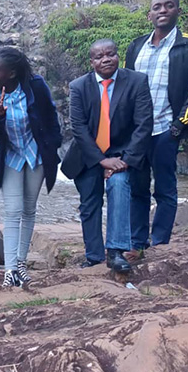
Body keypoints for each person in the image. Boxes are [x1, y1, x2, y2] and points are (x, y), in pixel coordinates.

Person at [61, 39, 153, 272]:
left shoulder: (137, 81)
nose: (106, 60)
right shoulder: (79, 86)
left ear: (118, 56)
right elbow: (78, 127)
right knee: (89, 202)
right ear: (91, 62)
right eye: (99, 57)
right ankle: (93, 257)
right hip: (89, 154)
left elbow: (143, 125)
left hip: (123, 154)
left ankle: (115, 251)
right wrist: (102, 160)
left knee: (119, 186)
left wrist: (125, 161)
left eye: (110, 54)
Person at [0, 47, 61, 287]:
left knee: (29, 209)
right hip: (10, 156)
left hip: (36, 155)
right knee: (12, 211)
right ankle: (10, 270)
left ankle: (21, 263)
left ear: (11, 73)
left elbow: (51, 118)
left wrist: (53, 145)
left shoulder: (35, 86)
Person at [125, 0, 188, 256]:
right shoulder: (136, 46)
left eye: (169, 6)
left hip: (166, 130)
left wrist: (180, 125)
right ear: (149, 14)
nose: (163, 11)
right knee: (137, 188)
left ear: (178, 11)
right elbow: (125, 88)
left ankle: (159, 244)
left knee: (165, 189)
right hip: (137, 132)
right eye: (157, 7)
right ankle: (137, 243)